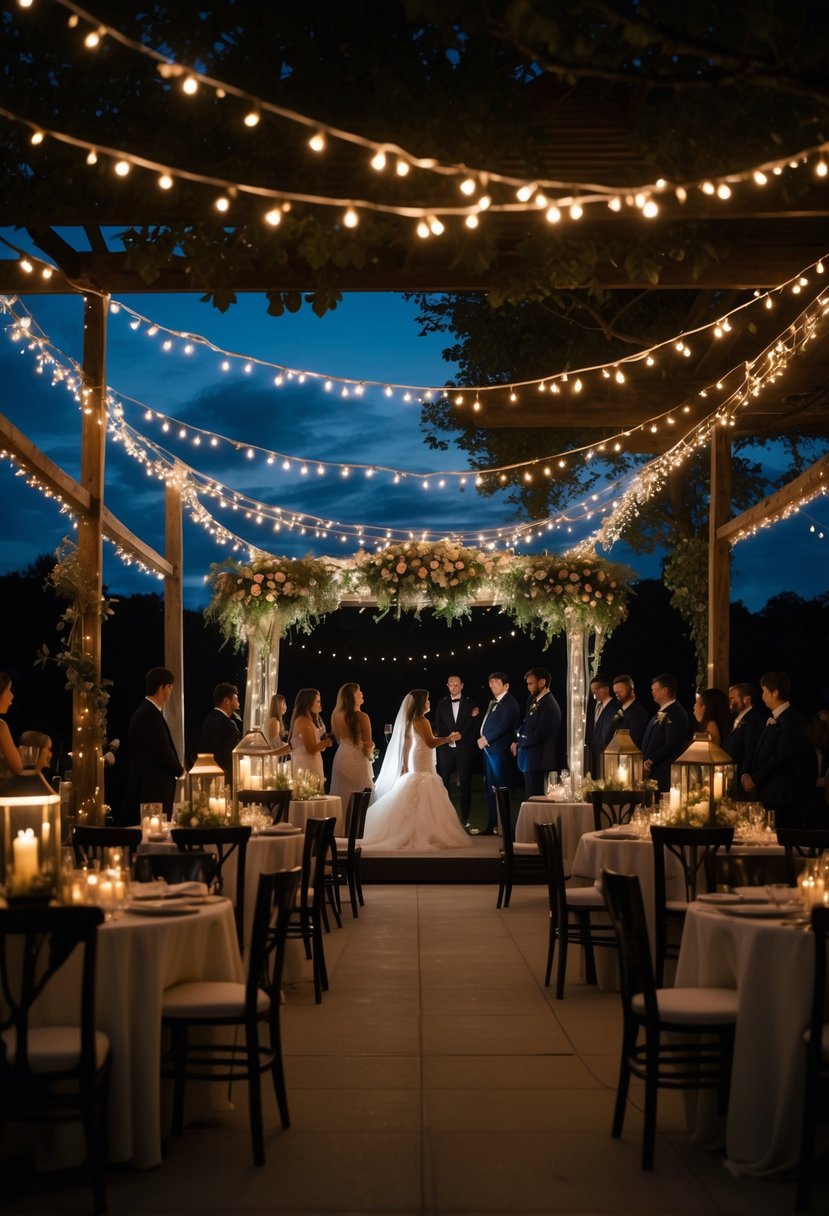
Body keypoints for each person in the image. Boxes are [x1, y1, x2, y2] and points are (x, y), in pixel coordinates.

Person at [362, 690, 471, 851]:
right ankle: (423, 832)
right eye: (427, 700)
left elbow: (407, 743)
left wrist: (405, 764)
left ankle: (409, 828)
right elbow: (430, 742)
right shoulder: (422, 720)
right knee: (425, 785)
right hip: (422, 758)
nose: (429, 703)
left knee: (414, 786)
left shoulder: (410, 720)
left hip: (415, 757)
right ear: (420, 704)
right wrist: (449, 738)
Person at [741, 671, 812, 828]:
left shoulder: (791, 720)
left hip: (781, 794)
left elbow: (781, 757)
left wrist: (755, 779)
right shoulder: (777, 718)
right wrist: (747, 774)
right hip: (770, 792)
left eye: (765, 691)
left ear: (775, 693)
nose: (762, 696)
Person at [122, 666, 184, 824]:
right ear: (161, 687)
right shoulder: (148, 714)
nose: (171, 691)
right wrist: (180, 770)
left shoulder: (149, 712)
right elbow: (162, 749)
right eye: (169, 686)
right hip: (151, 790)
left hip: (153, 788)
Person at [476, 672, 520, 835]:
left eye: (496, 682)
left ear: (506, 686)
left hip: (499, 751)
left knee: (501, 788)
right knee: (491, 789)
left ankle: (504, 826)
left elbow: (504, 725)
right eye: (490, 682)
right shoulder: (495, 703)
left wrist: (486, 738)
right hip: (490, 751)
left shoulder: (509, 703)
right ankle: (492, 825)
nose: (492, 684)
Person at [433, 675, 480, 829]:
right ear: (447, 686)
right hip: (446, 749)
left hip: (464, 749)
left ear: (462, 685)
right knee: (444, 784)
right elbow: (439, 724)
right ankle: (444, 819)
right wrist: (448, 737)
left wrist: (462, 736)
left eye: (456, 684)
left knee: (465, 784)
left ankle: (465, 819)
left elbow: (474, 726)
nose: (454, 686)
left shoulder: (471, 703)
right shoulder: (441, 704)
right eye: (451, 684)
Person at [511, 667, 561, 798]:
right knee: (531, 798)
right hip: (531, 761)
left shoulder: (548, 705)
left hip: (539, 761)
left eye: (531, 683)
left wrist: (521, 741)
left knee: (536, 799)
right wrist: (517, 739)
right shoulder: (535, 700)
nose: (528, 687)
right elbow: (527, 723)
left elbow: (540, 734)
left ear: (542, 682)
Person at [641, 672, 690, 792]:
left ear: (665, 690)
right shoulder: (664, 711)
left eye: (655, 690)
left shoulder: (675, 712)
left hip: (663, 773)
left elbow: (672, 744)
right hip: (654, 771)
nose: (652, 692)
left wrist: (651, 760)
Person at [330, 682, 374, 807]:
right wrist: (371, 754)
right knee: (359, 798)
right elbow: (367, 744)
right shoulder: (362, 716)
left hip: (341, 757)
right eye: (358, 692)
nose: (361, 694)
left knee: (341, 795)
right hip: (357, 759)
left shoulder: (336, 716)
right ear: (352, 696)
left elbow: (339, 738)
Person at [722, 682, 766, 798]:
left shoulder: (753, 720)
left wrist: (744, 774)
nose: (729, 702)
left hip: (742, 781)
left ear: (746, 700)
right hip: (731, 776)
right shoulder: (736, 718)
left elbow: (750, 750)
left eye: (732, 698)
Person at [199, 681, 242, 785]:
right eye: (236, 699)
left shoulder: (209, 719)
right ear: (226, 701)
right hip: (223, 778)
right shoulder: (226, 723)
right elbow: (229, 754)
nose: (238, 704)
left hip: (208, 773)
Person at [289, 688, 332, 785]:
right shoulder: (304, 721)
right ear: (308, 703)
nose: (320, 706)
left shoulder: (306, 720)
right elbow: (311, 749)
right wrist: (327, 742)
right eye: (318, 702)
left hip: (309, 764)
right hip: (307, 768)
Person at [585, 672, 617, 777]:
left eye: (597, 689)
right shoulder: (595, 706)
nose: (595, 693)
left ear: (607, 689)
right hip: (593, 752)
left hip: (606, 751)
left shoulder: (614, 707)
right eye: (593, 690)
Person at [610, 674, 650, 749]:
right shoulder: (620, 710)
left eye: (620, 691)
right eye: (616, 692)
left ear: (631, 690)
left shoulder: (638, 712)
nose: (617, 694)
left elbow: (635, 741)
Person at [0, 672, 23, 779]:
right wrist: (18, 753)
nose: (12, 696)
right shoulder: (1, 726)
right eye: (9, 690)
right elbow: (17, 768)